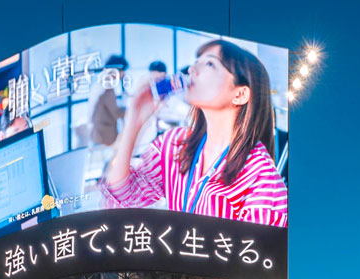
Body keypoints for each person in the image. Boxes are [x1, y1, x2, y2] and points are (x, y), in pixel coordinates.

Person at [102, 39, 288, 226]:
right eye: (197, 61)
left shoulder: (262, 179)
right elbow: (122, 197)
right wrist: (134, 121)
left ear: (239, 95)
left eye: (209, 63)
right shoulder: (175, 144)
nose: (192, 69)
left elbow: (258, 252)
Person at [89, 55, 128, 147]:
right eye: (122, 71)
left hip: (99, 134)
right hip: (103, 137)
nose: (123, 74)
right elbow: (115, 112)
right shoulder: (107, 87)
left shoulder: (102, 83)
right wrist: (131, 111)